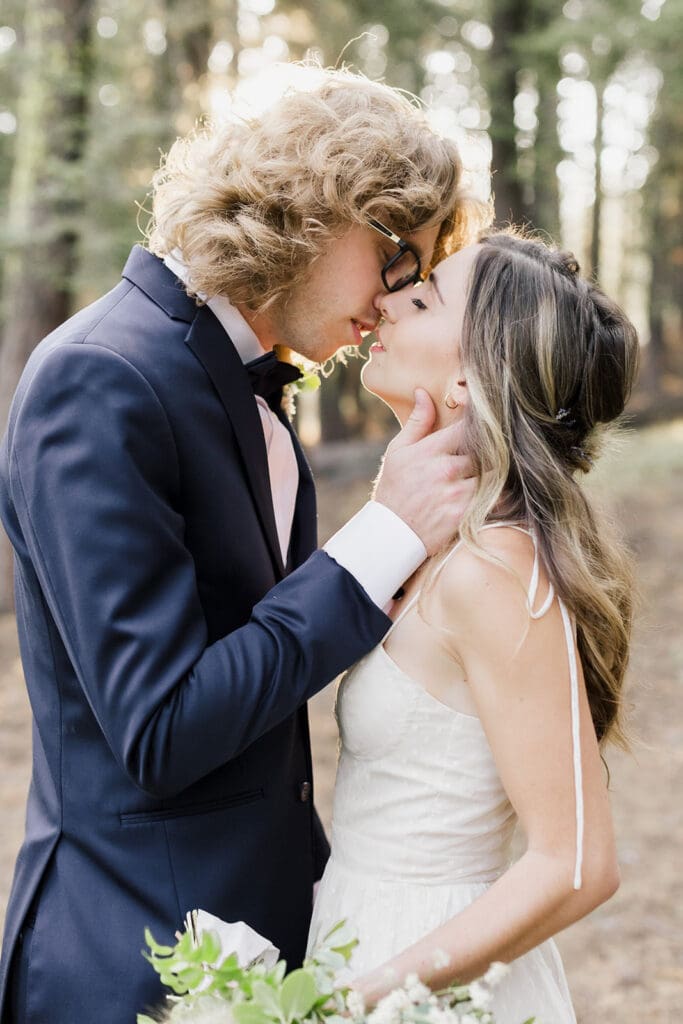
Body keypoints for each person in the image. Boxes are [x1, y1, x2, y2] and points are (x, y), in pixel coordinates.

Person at [0, 68, 487, 1024]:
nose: (395, 299)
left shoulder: (241, 384)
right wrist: (380, 539)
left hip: (267, 942)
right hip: (131, 959)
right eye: (398, 257)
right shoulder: (100, 379)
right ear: (317, 205)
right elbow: (161, 728)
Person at [307, 231, 639, 1024]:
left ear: (466, 379)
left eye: (420, 300)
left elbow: (575, 866)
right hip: (356, 932)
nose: (384, 300)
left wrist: (363, 1000)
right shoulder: (431, 542)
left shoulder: (494, 569)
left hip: (423, 976)